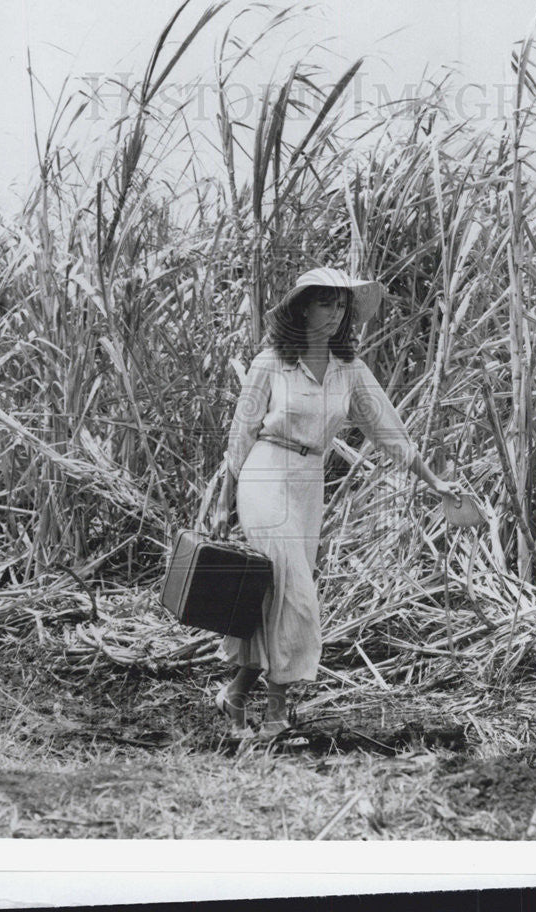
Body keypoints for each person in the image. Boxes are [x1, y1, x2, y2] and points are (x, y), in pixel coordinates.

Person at [210, 267, 463, 740]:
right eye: (326, 302)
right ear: (302, 307)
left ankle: (236, 695)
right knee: (295, 590)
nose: (336, 312)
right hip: (265, 472)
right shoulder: (270, 364)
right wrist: (224, 503)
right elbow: (240, 433)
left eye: (342, 304)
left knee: (274, 588)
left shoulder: (350, 371)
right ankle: (277, 712)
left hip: (308, 482)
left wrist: (434, 483)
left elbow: (389, 431)